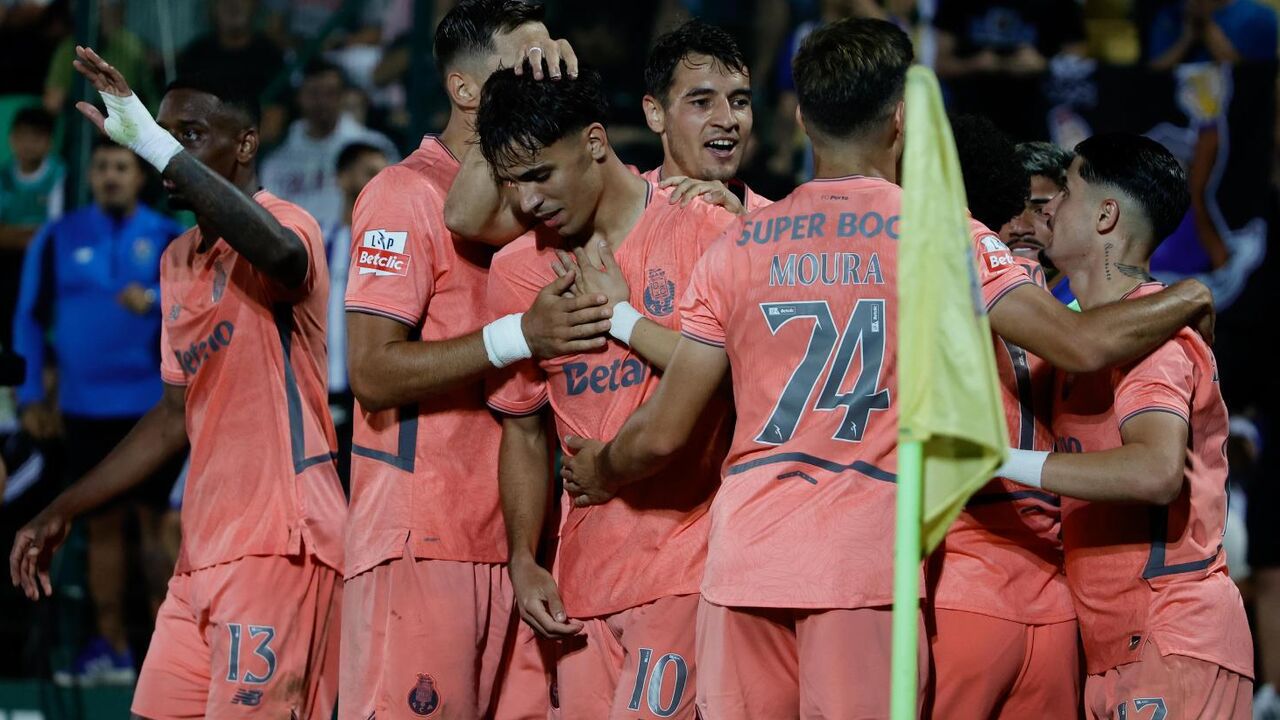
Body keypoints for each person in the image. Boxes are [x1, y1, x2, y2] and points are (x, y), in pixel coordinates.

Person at [562, 18, 1218, 720]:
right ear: (901, 117)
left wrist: (601, 469)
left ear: (802, 115)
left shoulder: (740, 244)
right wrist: (1188, 293)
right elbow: (1079, 346)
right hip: (863, 567)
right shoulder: (941, 235)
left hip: (743, 561)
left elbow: (662, 433)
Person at [10, 49, 346, 718]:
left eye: (186, 134)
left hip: (281, 543)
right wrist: (64, 506)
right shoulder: (176, 259)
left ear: (245, 143)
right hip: (202, 553)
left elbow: (281, 254)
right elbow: (171, 418)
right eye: (157, 132)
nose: (161, 149)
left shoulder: (287, 224)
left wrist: (159, 151)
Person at [338, 2, 613, 717]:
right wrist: (521, 336)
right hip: (421, 540)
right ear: (466, 90)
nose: (540, 76)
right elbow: (371, 374)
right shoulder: (402, 195)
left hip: (521, 546)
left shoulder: (537, 204)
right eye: (524, 64)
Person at [475, 60, 735, 719]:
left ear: (595, 142)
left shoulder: (703, 232)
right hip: (582, 584)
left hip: (688, 565)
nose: (529, 201)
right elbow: (525, 428)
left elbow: (730, 377)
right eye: (512, 184)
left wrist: (623, 318)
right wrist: (524, 557)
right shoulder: (515, 272)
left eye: (540, 175)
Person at [1000, 132, 1253, 719]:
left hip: (1171, 639)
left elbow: (1155, 469)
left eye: (1065, 191)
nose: (1049, 207)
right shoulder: (1087, 332)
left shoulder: (1156, 341)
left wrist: (1000, 461)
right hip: (1125, 650)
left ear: (1106, 214)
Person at [13, 139, 185, 686]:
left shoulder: (168, 238)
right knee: (103, 529)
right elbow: (27, 320)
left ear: (140, 178)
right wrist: (29, 396)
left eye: (122, 168)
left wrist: (156, 298)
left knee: (160, 528)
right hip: (86, 408)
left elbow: (202, 302)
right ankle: (110, 646)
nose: (112, 176)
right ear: (91, 177)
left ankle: (169, 647)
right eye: (104, 168)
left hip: (155, 410)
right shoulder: (56, 237)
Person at [932, 114, 1079, 719]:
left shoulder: (1079, 314)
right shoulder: (1086, 322)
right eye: (1017, 205)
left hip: (1041, 582)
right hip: (977, 567)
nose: (1029, 224)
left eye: (1045, 208)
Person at [639, 20, 771, 213]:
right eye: (701, 102)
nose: (728, 121)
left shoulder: (777, 228)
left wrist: (746, 232)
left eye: (740, 102)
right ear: (655, 113)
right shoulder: (620, 211)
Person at [260, 59, 398, 233]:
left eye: (330, 93)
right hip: (297, 252)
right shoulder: (276, 160)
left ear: (342, 96)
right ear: (299, 97)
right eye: (313, 93)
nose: (322, 102)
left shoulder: (373, 147)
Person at [325, 141, 388, 489]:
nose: (380, 180)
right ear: (342, 178)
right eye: (369, 172)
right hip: (324, 390)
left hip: (369, 392)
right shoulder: (318, 241)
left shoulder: (385, 245)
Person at [0, 107, 63, 351]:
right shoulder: (4, 177)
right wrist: (31, 234)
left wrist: (11, 234)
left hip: (43, 264)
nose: (28, 144)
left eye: (36, 137)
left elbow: (53, 235)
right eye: (22, 136)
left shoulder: (60, 175)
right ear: (11, 138)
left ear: (49, 142)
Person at [1148, 0, 1279, 69]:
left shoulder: (1260, 18)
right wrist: (1186, 41)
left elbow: (1254, 81)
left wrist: (1206, 26)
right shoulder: (1169, 17)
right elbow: (1152, 75)